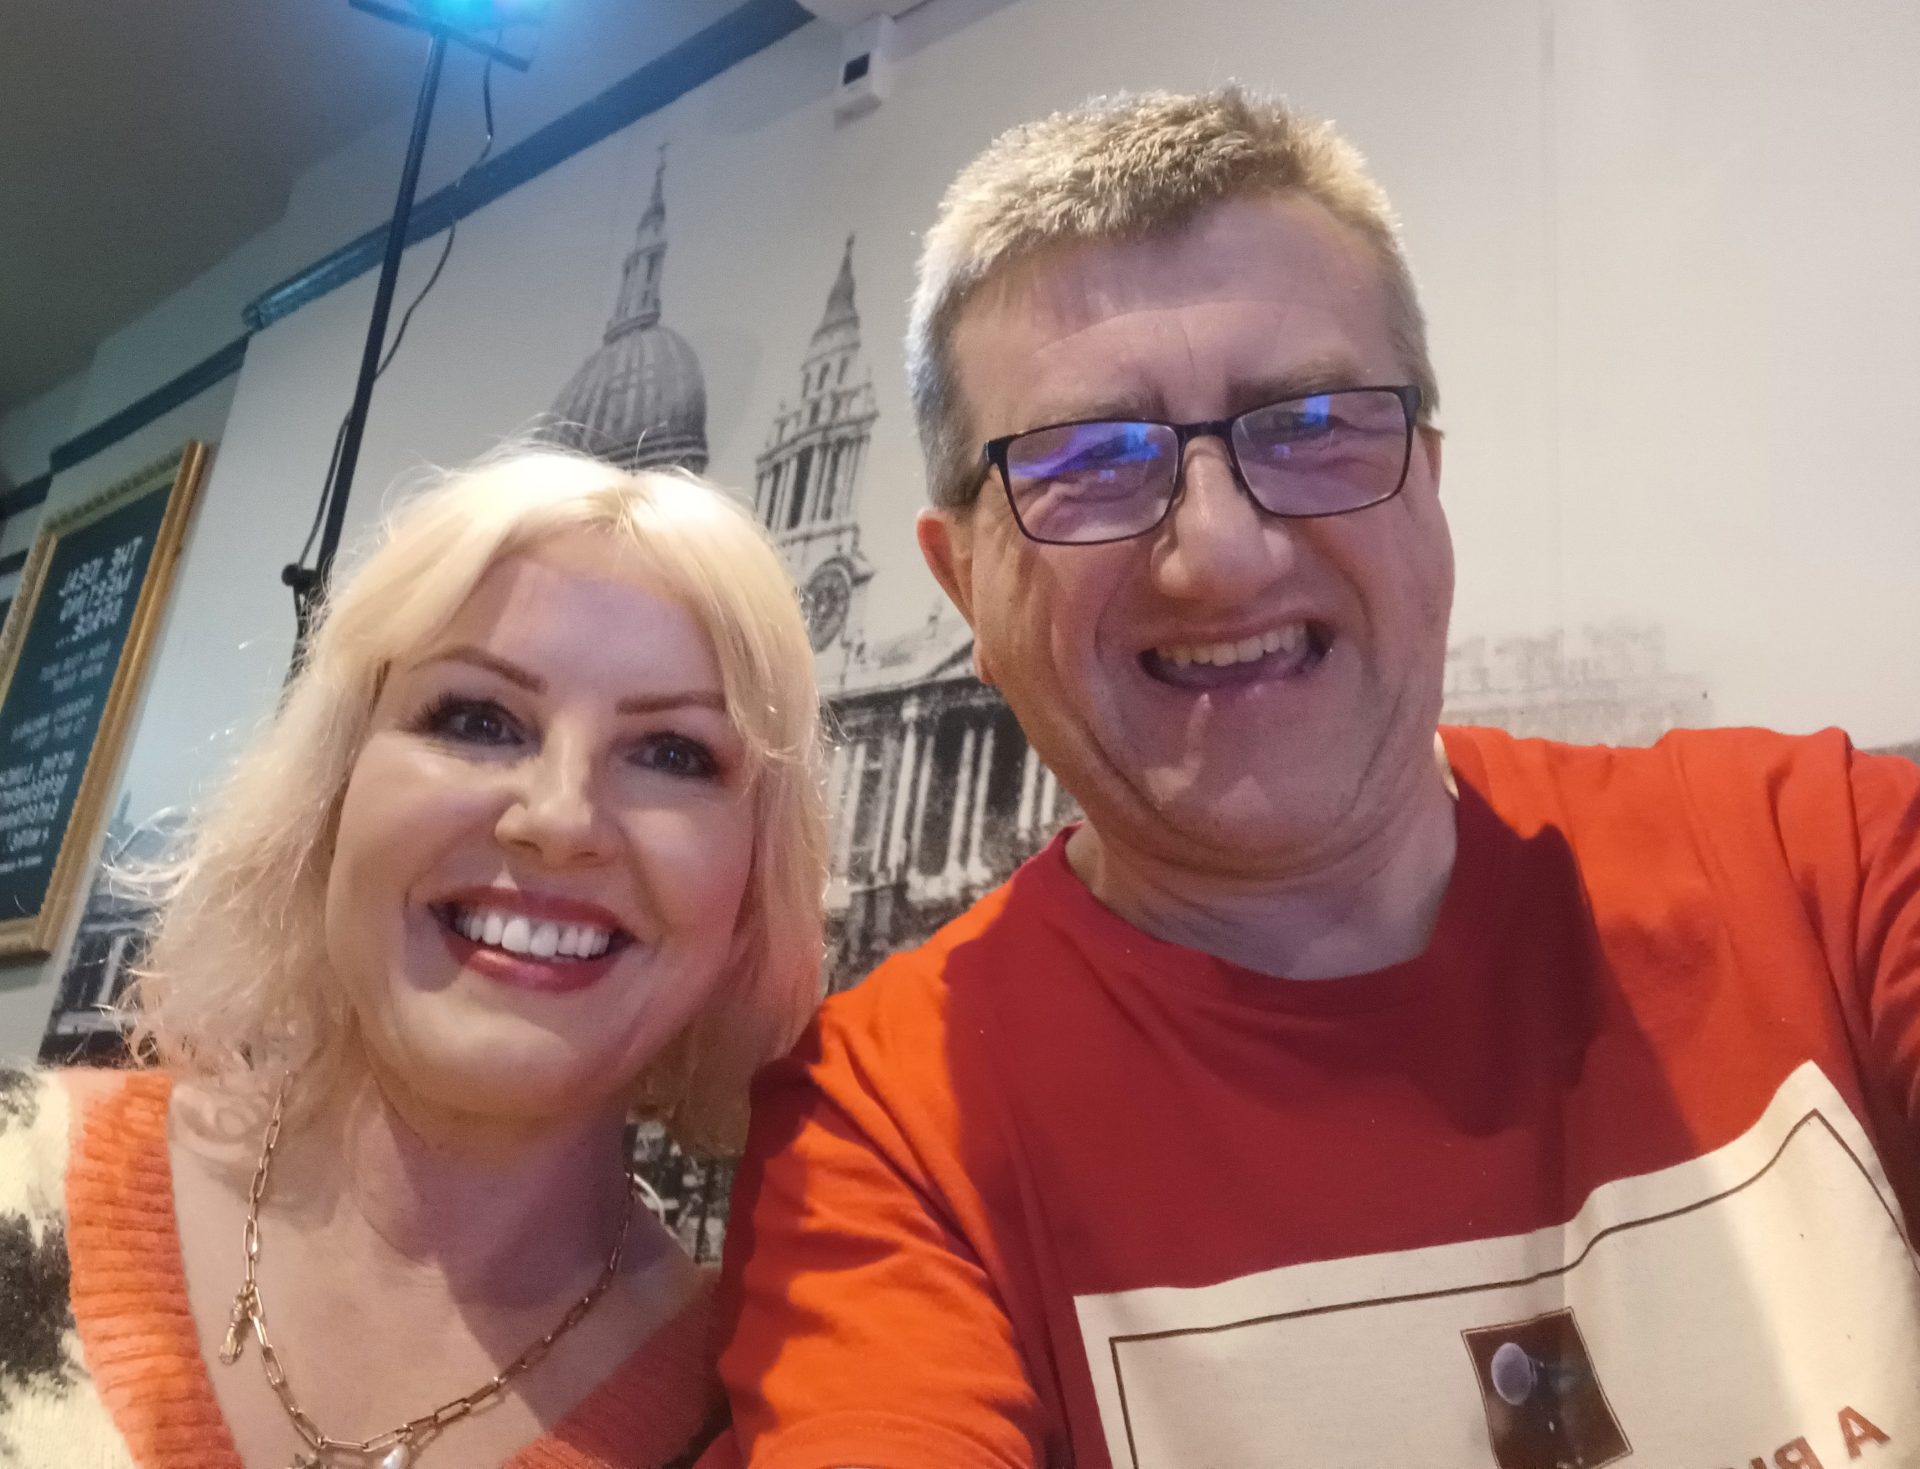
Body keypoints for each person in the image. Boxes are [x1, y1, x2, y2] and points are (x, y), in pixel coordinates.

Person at [719, 88, 1920, 1467]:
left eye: (1309, 424)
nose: (1222, 555)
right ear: (964, 585)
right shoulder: (881, 1138)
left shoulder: (1821, 861)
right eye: (1092, 461)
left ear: (1427, 482)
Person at [0, 447, 828, 1469]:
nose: (559, 818)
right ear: (331, 796)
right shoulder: (14, 1168)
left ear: (751, 889)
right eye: (478, 719)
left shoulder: (764, 1417)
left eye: (672, 752)